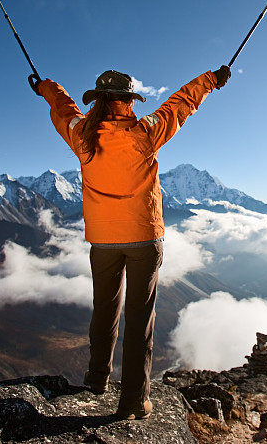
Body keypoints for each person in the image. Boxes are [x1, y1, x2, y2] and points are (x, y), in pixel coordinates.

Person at [37, 65, 231, 420]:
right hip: (144, 238)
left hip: (103, 240)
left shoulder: (81, 134)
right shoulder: (145, 132)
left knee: (104, 309)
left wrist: (46, 88)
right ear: (128, 100)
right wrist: (211, 80)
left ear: (98, 100)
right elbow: (179, 104)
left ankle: (96, 380)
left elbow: (63, 109)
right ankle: (132, 402)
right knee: (140, 319)